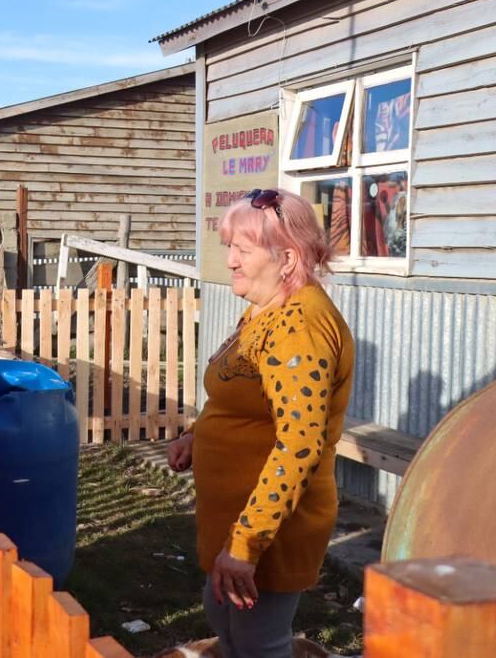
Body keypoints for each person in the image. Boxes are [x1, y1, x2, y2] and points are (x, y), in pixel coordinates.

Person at [167, 188, 355, 658]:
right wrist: (198, 433)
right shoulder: (264, 310)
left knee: (258, 644)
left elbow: (299, 446)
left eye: (241, 250)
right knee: (224, 620)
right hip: (234, 518)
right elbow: (238, 389)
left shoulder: (299, 328)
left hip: (268, 528)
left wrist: (247, 544)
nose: (229, 261)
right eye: (229, 246)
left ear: (287, 258)